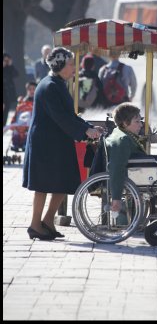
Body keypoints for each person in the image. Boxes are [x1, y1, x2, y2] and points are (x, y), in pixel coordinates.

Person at [23, 46, 104, 240]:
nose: (74, 68)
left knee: (64, 182)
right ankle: (35, 225)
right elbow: (60, 117)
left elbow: (69, 115)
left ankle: (48, 221)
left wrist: (89, 126)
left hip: (57, 142)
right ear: (59, 65)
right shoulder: (49, 85)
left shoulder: (57, 83)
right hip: (45, 144)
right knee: (41, 185)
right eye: (70, 64)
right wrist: (85, 130)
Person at [105, 102, 157, 232]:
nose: (141, 124)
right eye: (137, 121)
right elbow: (117, 167)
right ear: (124, 123)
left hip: (136, 172)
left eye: (141, 121)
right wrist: (116, 198)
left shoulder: (122, 134)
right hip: (134, 175)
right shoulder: (122, 140)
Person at [9, 81, 37, 151]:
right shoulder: (23, 103)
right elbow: (17, 113)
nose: (31, 91)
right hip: (21, 123)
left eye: (33, 89)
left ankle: (26, 143)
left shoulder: (37, 102)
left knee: (28, 131)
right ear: (27, 90)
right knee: (16, 130)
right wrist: (13, 122)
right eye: (29, 89)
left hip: (32, 124)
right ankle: (16, 143)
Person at [3, 52, 19, 124]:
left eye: (7, 60)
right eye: (4, 60)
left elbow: (16, 74)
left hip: (7, 93)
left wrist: (10, 65)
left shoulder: (9, 68)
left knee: (7, 109)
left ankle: (4, 125)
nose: (6, 62)